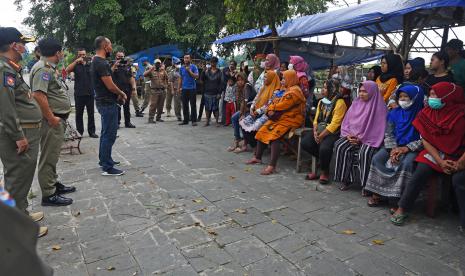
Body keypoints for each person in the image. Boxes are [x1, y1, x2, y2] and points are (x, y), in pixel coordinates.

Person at [391, 82, 465, 232]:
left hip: (459, 156)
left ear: (448, 97)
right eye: (430, 94)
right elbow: (425, 140)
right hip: (434, 152)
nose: (431, 99)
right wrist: (440, 161)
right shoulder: (427, 112)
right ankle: (403, 208)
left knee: (459, 180)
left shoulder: (462, 115)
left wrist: (460, 163)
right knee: (421, 170)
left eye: (435, 95)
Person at [0, 27, 48, 237]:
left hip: (25, 131)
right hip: (20, 133)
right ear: (13, 45)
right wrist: (18, 136)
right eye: (23, 43)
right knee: (17, 177)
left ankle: (21, 213)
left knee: (22, 176)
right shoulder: (3, 69)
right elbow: (6, 107)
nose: (25, 47)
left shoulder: (9, 67)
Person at [30, 37, 75, 206]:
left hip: (56, 119)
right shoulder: (43, 69)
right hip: (52, 121)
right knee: (49, 157)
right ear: (57, 53)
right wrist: (51, 118)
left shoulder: (47, 67)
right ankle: (49, 194)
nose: (62, 54)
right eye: (62, 51)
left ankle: (53, 183)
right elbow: (38, 95)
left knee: (53, 156)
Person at [365, 85, 424, 206]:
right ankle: (377, 193)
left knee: (406, 163)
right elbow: (388, 133)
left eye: (406, 96)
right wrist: (393, 149)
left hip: (413, 148)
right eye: (400, 96)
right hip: (394, 146)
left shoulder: (423, 115)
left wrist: (406, 148)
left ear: (415, 97)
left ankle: (397, 199)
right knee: (377, 158)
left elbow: (425, 139)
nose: (402, 99)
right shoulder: (394, 113)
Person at [246, 70, 306, 175]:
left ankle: (272, 166)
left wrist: (270, 108)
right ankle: (258, 157)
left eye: (284, 79)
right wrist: (271, 108)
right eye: (282, 79)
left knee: (275, 136)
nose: (282, 81)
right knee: (262, 129)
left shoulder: (295, 91)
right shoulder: (287, 89)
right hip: (281, 117)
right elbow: (275, 101)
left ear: (290, 79)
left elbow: (283, 105)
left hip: (292, 119)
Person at [333, 81, 388, 193]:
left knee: (365, 153)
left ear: (372, 92)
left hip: (370, 139)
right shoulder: (356, 103)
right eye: (360, 91)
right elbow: (347, 122)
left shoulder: (380, 107)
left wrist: (361, 138)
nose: (361, 94)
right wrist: (348, 135)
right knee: (340, 146)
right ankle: (346, 179)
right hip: (353, 136)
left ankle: (366, 185)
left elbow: (379, 129)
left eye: (365, 91)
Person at [91, 36, 127, 176]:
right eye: (110, 45)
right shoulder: (101, 62)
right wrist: (121, 93)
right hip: (107, 102)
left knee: (106, 132)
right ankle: (107, 166)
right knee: (109, 134)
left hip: (103, 101)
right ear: (105, 46)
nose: (111, 48)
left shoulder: (97, 61)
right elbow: (110, 85)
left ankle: (105, 159)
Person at [302, 79, 347, 184]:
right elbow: (316, 119)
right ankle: (322, 161)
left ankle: (324, 172)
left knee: (325, 148)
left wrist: (321, 136)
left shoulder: (340, 103)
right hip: (320, 130)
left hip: (333, 132)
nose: (323, 90)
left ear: (333, 89)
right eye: (323, 87)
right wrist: (315, 132)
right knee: (305, 143)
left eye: (326, 88)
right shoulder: (322, 101)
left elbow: (335, 124)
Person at [240, 70, 282, 149]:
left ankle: (258, 147)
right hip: (256, 111)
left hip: (266, 114)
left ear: (271, 78)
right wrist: (252, 108)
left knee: (255, 126)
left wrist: (257, 111)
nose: (264, 79)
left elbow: (269, 104)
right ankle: (254, 146)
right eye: (264, 77)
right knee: (243, 123)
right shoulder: (263, 87)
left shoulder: (276, 91)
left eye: (266, 77)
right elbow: (256, 98)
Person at [66, 48, 98, 138]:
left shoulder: (91, 64)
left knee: (91, 114)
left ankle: (92, 132)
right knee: (79, 114)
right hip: (79, 94)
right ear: (77, 56)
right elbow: (67, 70)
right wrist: (76, 61)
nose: (82, 57)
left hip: (90, 93)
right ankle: (79, 132)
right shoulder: (76, 65)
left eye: (83, 55)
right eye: (80, 55)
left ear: (86, 55)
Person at [227, 72, 256, 153]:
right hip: (246, 109)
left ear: (245, 79)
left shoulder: (247, 85)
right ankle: (237, 139)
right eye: (238, 80)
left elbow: (245, 101)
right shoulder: (240, 88)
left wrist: (242, 114)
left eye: (241, 80)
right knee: (234, 117)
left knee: (241, 120)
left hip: (252, 109)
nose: (240, 82)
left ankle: (245, 144)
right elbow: (241, 102)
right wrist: (241, 112)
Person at [112, 51, 136, 128]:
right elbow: (109, 74)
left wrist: (133, 88)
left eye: (122, 57)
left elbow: (131, 77)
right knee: (117, 107)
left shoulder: (127, 66)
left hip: (127, 89)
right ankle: (117, 123)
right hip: (117, 90)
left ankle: (127, 122)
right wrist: (115, 65)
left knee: (126, 106)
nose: (120, 58)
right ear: (116, 57)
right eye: (118, 56)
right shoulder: (112, 65)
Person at [144, 59, 168, 123]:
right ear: (154, 64)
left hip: (162, 91)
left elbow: (167, 78)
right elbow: (144, 74)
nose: (158, 64)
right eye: (156, 63)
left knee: (161, 105)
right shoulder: (151, 70)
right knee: (153, 105)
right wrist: (150, 70)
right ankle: (151, 118)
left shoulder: (163, 70)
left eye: (159, 63)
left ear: (160, 64)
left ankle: (158, 117)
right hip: (154, 91)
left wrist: (166, 85)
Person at [201, 57, 222, 126]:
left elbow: (221, 83)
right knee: (207, 108)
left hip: (216, 93)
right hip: (207, 92)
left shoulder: (219, 72)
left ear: (216, 63)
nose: (213, 63)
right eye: (212, 62)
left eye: (214, 62)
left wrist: (219, 93)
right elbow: (202, 80)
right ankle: (207, 121)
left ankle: (216, 121)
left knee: (216, 108)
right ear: (210, 62)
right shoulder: (207, 71)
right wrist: (203, 71)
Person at [179, 54, 199, 126]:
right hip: (184, 89)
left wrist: (189, 71)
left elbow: (196, 76)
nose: (186, 59)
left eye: (187, 58)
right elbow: (181, 78)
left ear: (190, 59)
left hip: (192, 88)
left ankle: (194, 120)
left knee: (193, 105)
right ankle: (185, 120)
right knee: (184, 105)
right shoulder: (181, 68)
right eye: (185, 58)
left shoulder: (194, 67)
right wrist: (179, 88)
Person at [221, 60, 238, 125]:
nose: (231, 65)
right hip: (226, 96)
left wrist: (233, 75)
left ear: (235, 66)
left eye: (233, 64)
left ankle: (233, 123)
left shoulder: (236, 74)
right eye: (230, 64)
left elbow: (235, 80)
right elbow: (223, 80)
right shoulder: (225, 71)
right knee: (226, 110)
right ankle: (226, 121)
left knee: (233, 111)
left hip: (233, 98)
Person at [167, 57, 182, 121]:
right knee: (173, 101)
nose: (178, 64)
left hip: (182, 88)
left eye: (179, 63)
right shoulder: (170, 70)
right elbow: (170, 80)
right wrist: (172, 89)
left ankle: (187, 115)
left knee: (184, 103)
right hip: (173, 88)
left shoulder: (182, 70)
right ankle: (175, 114)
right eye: (177, 63)